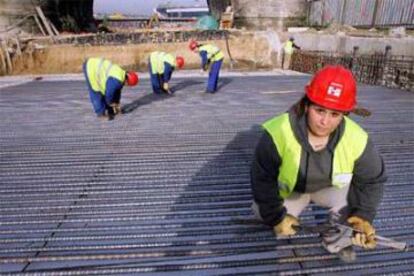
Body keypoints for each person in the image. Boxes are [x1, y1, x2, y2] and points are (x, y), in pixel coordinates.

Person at [250, 65, 387, 262]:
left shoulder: (356, 138)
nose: (325, 122)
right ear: (307, 105)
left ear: (344, 114)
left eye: (335, 114)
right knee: (264, 213)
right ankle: (281, 218)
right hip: (292, 190)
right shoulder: (279, 131)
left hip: (329, 189)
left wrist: (363, 218)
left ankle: (336, 240)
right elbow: (262, 177)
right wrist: (275, 217)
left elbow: (373, 180)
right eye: (319, 110)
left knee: (353, 206)